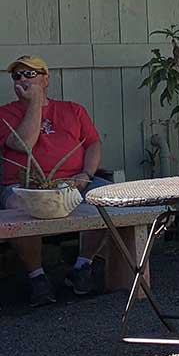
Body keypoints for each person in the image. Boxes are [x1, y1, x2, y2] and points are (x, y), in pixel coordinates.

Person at [0, 56, 109, 307]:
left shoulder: (73, 109)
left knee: (109, 199)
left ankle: (83, 267)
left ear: (46, 78)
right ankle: (37, 277)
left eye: (30, 74)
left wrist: (86, 175)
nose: (23, 79)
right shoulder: (5, 113)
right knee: (19, 208)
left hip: (73, 182)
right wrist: (35, 102)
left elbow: (93, 143)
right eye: (18, 76)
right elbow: (23, 144)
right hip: (27, 185)